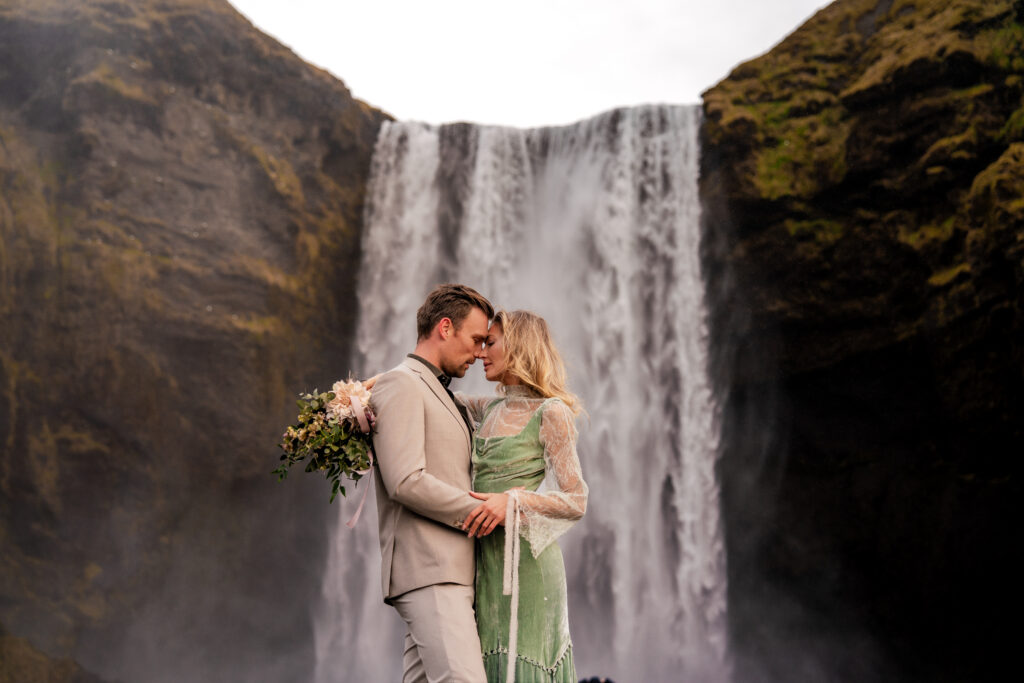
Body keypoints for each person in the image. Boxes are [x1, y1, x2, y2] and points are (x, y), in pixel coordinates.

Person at [368, 283, 495, 683]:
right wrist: (481, 511)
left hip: (451, 570)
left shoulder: (450, 398)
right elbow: (405, 480)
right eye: (476, 340)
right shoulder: (401, 383)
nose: (480, 352)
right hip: (431, 569)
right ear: (445, 327)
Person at [458, 310, 588, 683]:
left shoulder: (552, 412)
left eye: (490, 343)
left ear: (518, 347)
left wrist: (512, 501)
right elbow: (434, 395)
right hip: (486, 566)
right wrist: (380, 385)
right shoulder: (489, 408)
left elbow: (576, 499)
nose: (481, 353)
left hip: (528, 570)